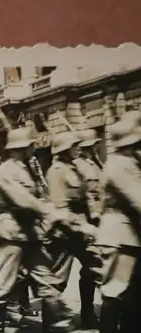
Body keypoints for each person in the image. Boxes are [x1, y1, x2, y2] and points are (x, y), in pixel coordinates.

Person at [0, 126, 74, 333]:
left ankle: (57, 325)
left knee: (48, 279)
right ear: (23, 147)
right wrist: (48, 211)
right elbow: (23, 198)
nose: (34, 148)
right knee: (3, 285)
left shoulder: (28, 167)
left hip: (31, 233)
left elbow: (39, 195)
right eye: (31, 145)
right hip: (12, 233)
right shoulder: (6, 170)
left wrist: (53, 211)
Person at [45, 131, 102, 329]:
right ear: (63, 149)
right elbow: (60, 208)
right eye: (74, 145)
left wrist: (94, 215)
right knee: (58, 280)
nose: (78, 147)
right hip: (63, 234)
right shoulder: (56, 171)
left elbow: (87, 196)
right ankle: (51, 324)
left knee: (95, 268)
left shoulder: (76, 168)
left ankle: (87, 313)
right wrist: (81, 224)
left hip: (82, 231)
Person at [96, 111, 141, 333]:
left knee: (133, 298)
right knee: (116, 293)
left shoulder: (131, 161)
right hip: (120, 237)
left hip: (131, 236)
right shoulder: (119, 164)